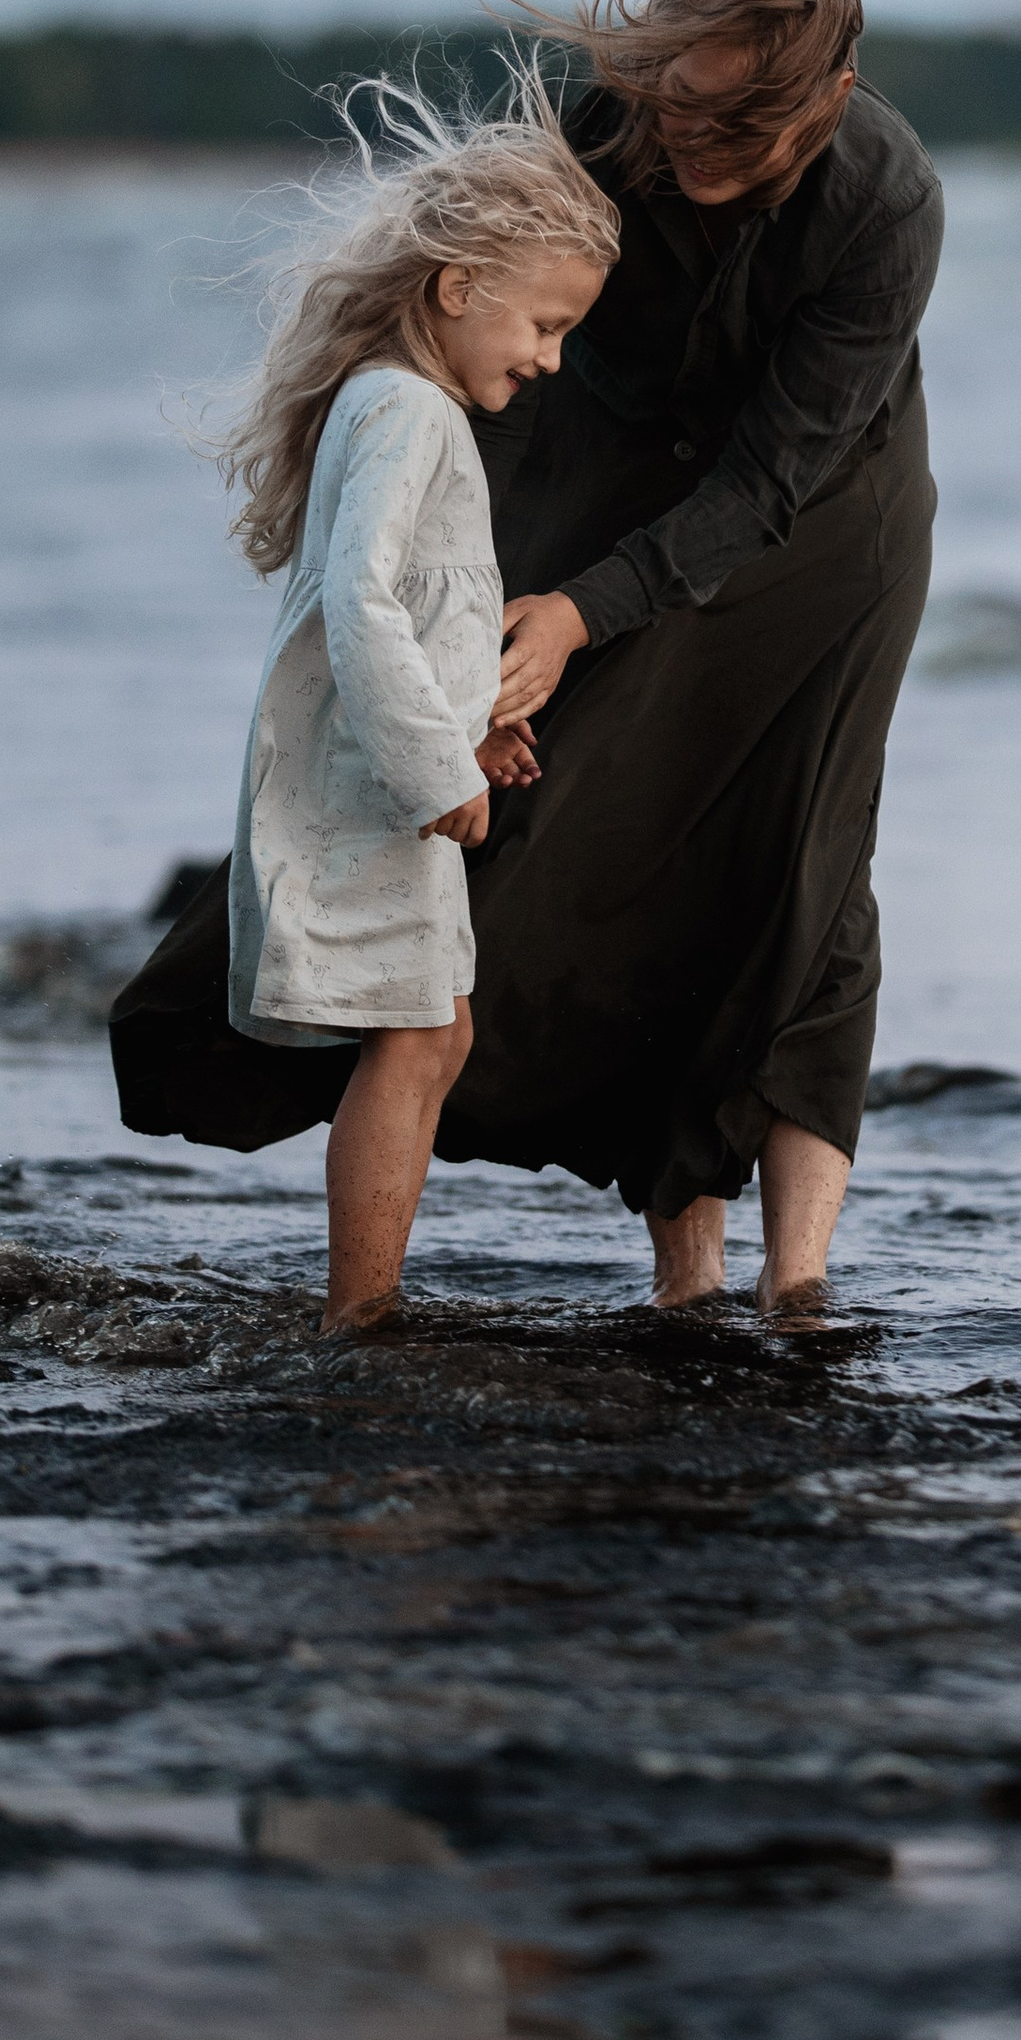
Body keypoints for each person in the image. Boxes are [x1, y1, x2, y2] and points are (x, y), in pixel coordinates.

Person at [459, 0, 942, 1311]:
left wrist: (586, 611)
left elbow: (770, 478)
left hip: (825, 519)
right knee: (569, 824)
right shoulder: (587, 127)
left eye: (739, 134)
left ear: (832, 102)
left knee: (806, 855)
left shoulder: (888, 202)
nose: (691, 153)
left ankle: (790, 1285)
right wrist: (481, 583)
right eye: (679, 112)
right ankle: (682, 1254)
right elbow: (464, 353)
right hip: (600, 473)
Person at [117, 75, 616, 1333]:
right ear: (457, 287)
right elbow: (360, 599)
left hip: (394, 775)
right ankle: (361, 1309)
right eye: (543, 325)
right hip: (374, 788)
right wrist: (428, 770)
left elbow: (410, 608)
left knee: (432, 1037)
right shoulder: (402, 407)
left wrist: (474, 727)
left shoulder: (406, 404)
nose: (550, 360)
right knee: (416, 1040)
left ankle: (365, 1299)